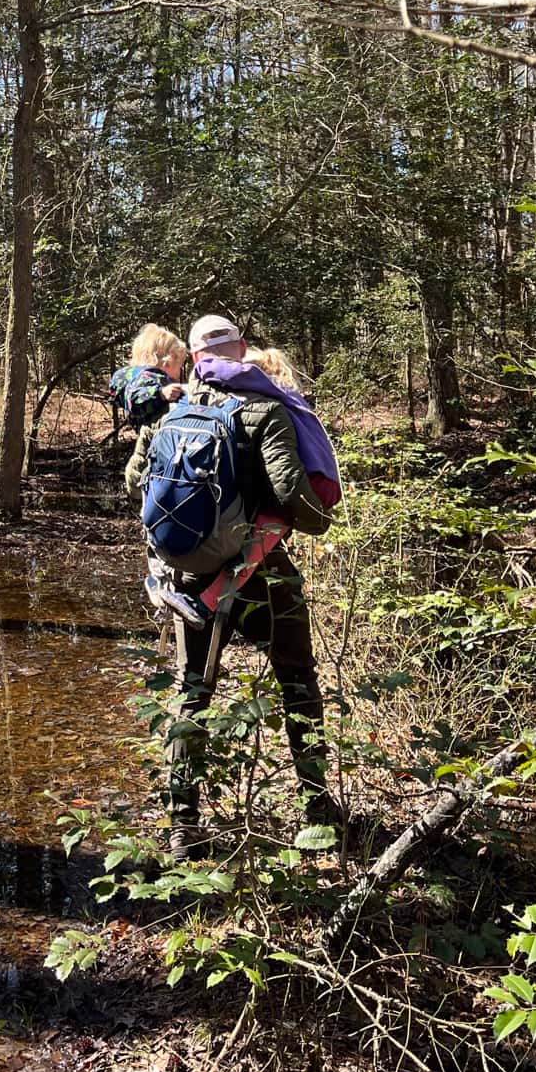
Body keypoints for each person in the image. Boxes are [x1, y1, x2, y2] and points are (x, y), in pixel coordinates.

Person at [129, 313, 338, 856]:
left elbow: (136, 481)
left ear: (194, 357)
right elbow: (291, 492)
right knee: (297, 681)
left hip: (191, 577)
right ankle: (318, 810)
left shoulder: (171, 410)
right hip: (263, 573)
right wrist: (320, 521)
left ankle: (182, 826)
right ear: (240, 349)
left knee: (192, 692)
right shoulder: (266, 409)